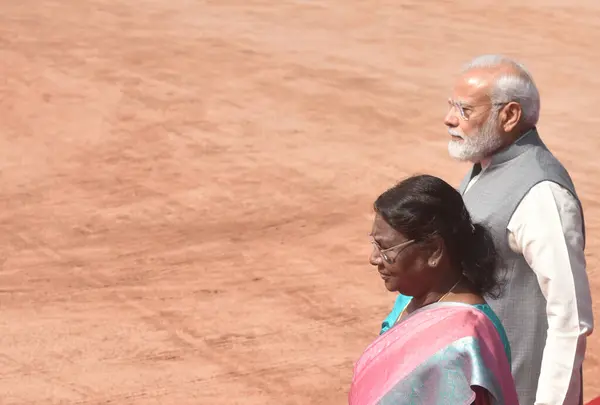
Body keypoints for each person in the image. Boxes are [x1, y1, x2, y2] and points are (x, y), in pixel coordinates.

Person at [442, 54, 594, 405]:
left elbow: (569, 320)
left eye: (465, 110)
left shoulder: (542, 194)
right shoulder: (484, 167)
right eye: (452, 106)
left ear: (509, 116)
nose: (449, 119)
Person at [349, 174, 518, 405]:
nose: (374, 258)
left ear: (434, 251)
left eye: (386, 248)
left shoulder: (468, 339)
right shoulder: (409, 298)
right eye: (375, 243)